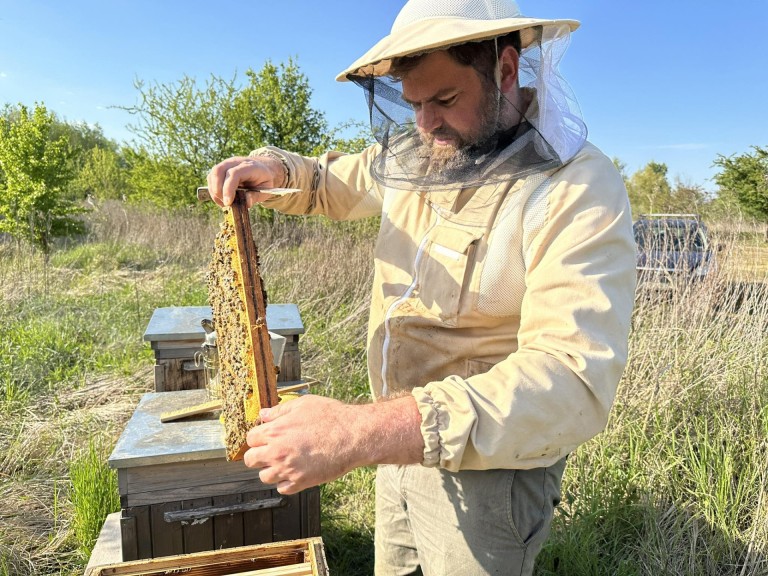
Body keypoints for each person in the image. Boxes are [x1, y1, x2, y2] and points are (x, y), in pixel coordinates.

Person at [207, 0, 636, 573]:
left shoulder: (578, 188)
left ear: (506, 70)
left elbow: (572, 381)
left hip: (491, 475)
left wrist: (357, 432)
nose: (425, 125)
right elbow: (336, 181)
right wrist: (279, 169)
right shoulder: (422, 150)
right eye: (412, 105)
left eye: (445, 100)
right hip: (394, 449)